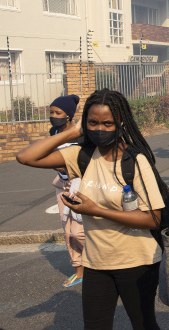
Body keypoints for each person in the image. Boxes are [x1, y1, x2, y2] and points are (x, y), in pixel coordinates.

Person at [17, 89, 169, 329]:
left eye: (107, 123)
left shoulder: (135, 160)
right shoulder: (83, 155)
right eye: (93, 122)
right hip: (96, 263)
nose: (100, 129)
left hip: (137, 262)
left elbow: (153, 218)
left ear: (120, 123)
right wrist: (72, 131)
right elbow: (26, 157)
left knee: (144, 324)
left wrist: (96, 210)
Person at [48, 94, 85, 287]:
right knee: (67, 231)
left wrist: (68, 167)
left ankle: (99, 263)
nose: (53, 116)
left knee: (79, 232)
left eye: (58, 112)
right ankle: (79, 271)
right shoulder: (53, 132)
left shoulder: (80, 135)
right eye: (52, 112)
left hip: (78, 185)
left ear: (69, 115)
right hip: (61, 185)